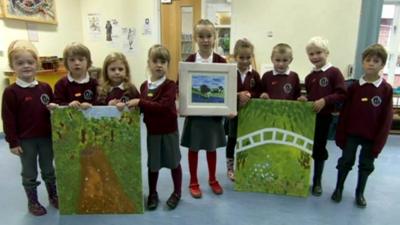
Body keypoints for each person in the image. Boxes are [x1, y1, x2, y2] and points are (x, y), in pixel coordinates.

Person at [332, 44, 393, 208]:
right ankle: (339, 188)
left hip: (371, 137)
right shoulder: (354, 87)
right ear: (362, 62)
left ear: (382, 65)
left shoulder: (386, 90)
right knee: (346, 161)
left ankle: (360, 193)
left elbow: (387, 120)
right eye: (368, 60)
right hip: (352, 134)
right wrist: (341, 135)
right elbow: (344, 114)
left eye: (376, 61)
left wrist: (378, 144)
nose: (371, 64)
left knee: (366, 165)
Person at [1, 40, 58, 216]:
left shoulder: (45, 87)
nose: (26, 66)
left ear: (37, 64)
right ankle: (32, 201)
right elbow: (8, 119)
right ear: (13, 66)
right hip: (26, 141)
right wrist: (13, 142)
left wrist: (54, 110)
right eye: (20, 63)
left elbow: (55, 110)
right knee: (29, 171)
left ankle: (53, 195)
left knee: (49, 168)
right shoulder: (11, 92)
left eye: (30, 62)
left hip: (46, 138)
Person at [129, 45, 182, 210]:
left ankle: (177, 192)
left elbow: (162, 106)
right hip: (152, 133)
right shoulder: (144, 86)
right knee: (153, 165)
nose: (159, 65)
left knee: (174, 163)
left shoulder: (170, 85)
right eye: (155, 61)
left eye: (163, 61)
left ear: (168, 65)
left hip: (169, 131)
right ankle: (153, 193)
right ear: (148, 63)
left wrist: (140, 102)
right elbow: (140, 107)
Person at [180, 19, 226, 198]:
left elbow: (229, 87)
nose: (205, 40)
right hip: (195, 115)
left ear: (215, 38)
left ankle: (213, 179)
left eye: (209, 36)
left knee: (211, 148)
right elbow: (181, 85)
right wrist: (182, 105)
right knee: (194, 148)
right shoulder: (189, 61)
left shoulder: (222, 62)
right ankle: (193, 181)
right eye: (201, 36)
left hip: (214, 115)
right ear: (195, 38)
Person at [298, 36, 346, 196]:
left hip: (324, 118)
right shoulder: (309, 77)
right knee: (303, 147)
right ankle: (300, 178)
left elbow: (341, 94)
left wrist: (325, 100)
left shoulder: (334, 72)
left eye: (318, 52)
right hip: (308, 119)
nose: (315, 57)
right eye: (311, 54)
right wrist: (306, 100)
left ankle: (317, 181)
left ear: (327, 52)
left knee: (319, 149)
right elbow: (311, 97)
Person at [225, 38, 261, 181]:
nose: (245, 61)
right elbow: (225, 92)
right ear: (235, 57)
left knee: (247, 141)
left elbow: (260, 92)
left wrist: (250, 95)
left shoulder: (255, 75)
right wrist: (238, 95)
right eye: (241, 57)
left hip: (250, 116)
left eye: (248, 57)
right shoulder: (230, 72)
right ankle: (230, 168)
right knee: (232, 140)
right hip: (234, 114)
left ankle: (245, 165)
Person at [53, 42, 98, 109]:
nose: (77, 63)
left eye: (81, 59)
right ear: (66, 63)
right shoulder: (60, 84)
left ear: (88, 62)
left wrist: (91, 105)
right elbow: (57, 104)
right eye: (72, 60)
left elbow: (100, 103)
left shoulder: (95, 83)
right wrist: (68, 105)